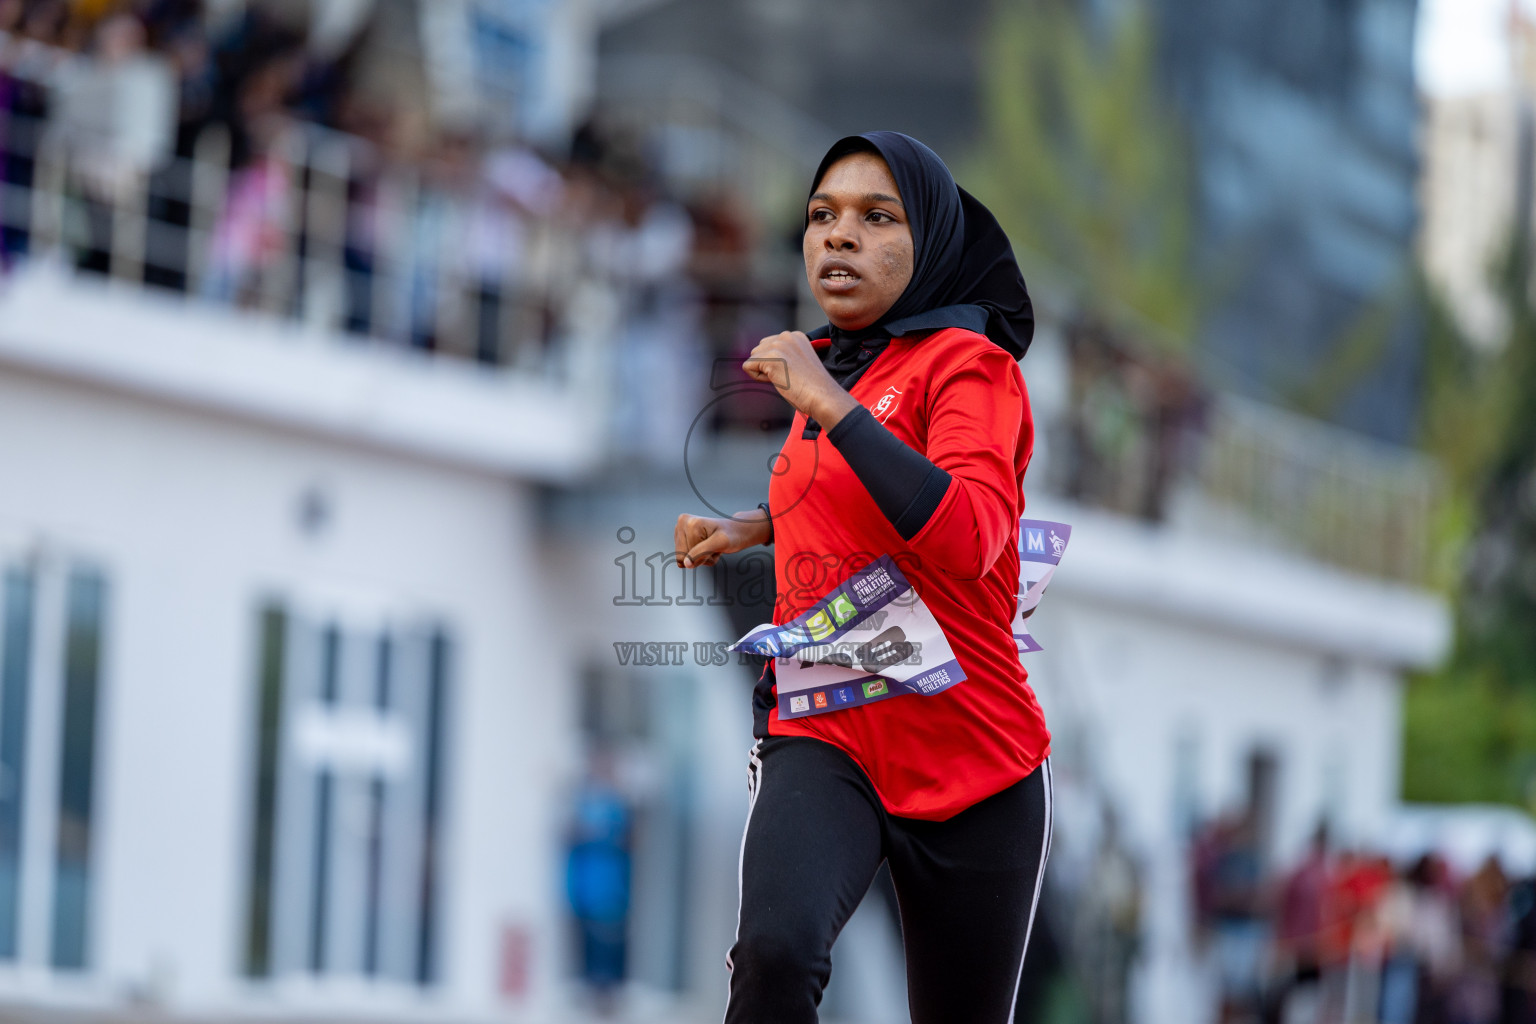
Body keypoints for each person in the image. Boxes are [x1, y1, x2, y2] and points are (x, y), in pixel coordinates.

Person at [673, 131, 1051, 1023]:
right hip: (829, 725)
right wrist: (749, 529)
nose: (837, 236)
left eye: (876, 218)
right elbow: (847, 501)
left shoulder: (970, 368)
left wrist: (830, 406)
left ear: (931, 248)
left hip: (974, 759)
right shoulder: (828, 367)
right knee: (773, 954)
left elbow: (967, 535)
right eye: (820, 216)